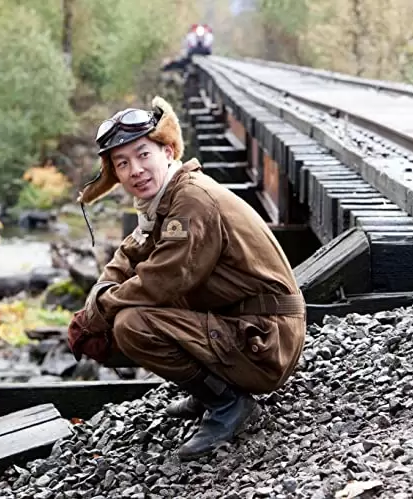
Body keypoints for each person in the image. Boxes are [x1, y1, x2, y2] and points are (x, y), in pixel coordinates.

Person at [67, 95, 307, 460]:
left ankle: (228, 403)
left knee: (132, 324)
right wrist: (94, 303)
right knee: (123, 313)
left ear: (167, 151)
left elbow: (163, 280)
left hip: (267, 341)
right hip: (247, 324)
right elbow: (130, 255)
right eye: (123, 163)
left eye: (143, 154)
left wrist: (103, 310)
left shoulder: (191, 200)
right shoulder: (162, 203)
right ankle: (209, 390)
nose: (135, 170)